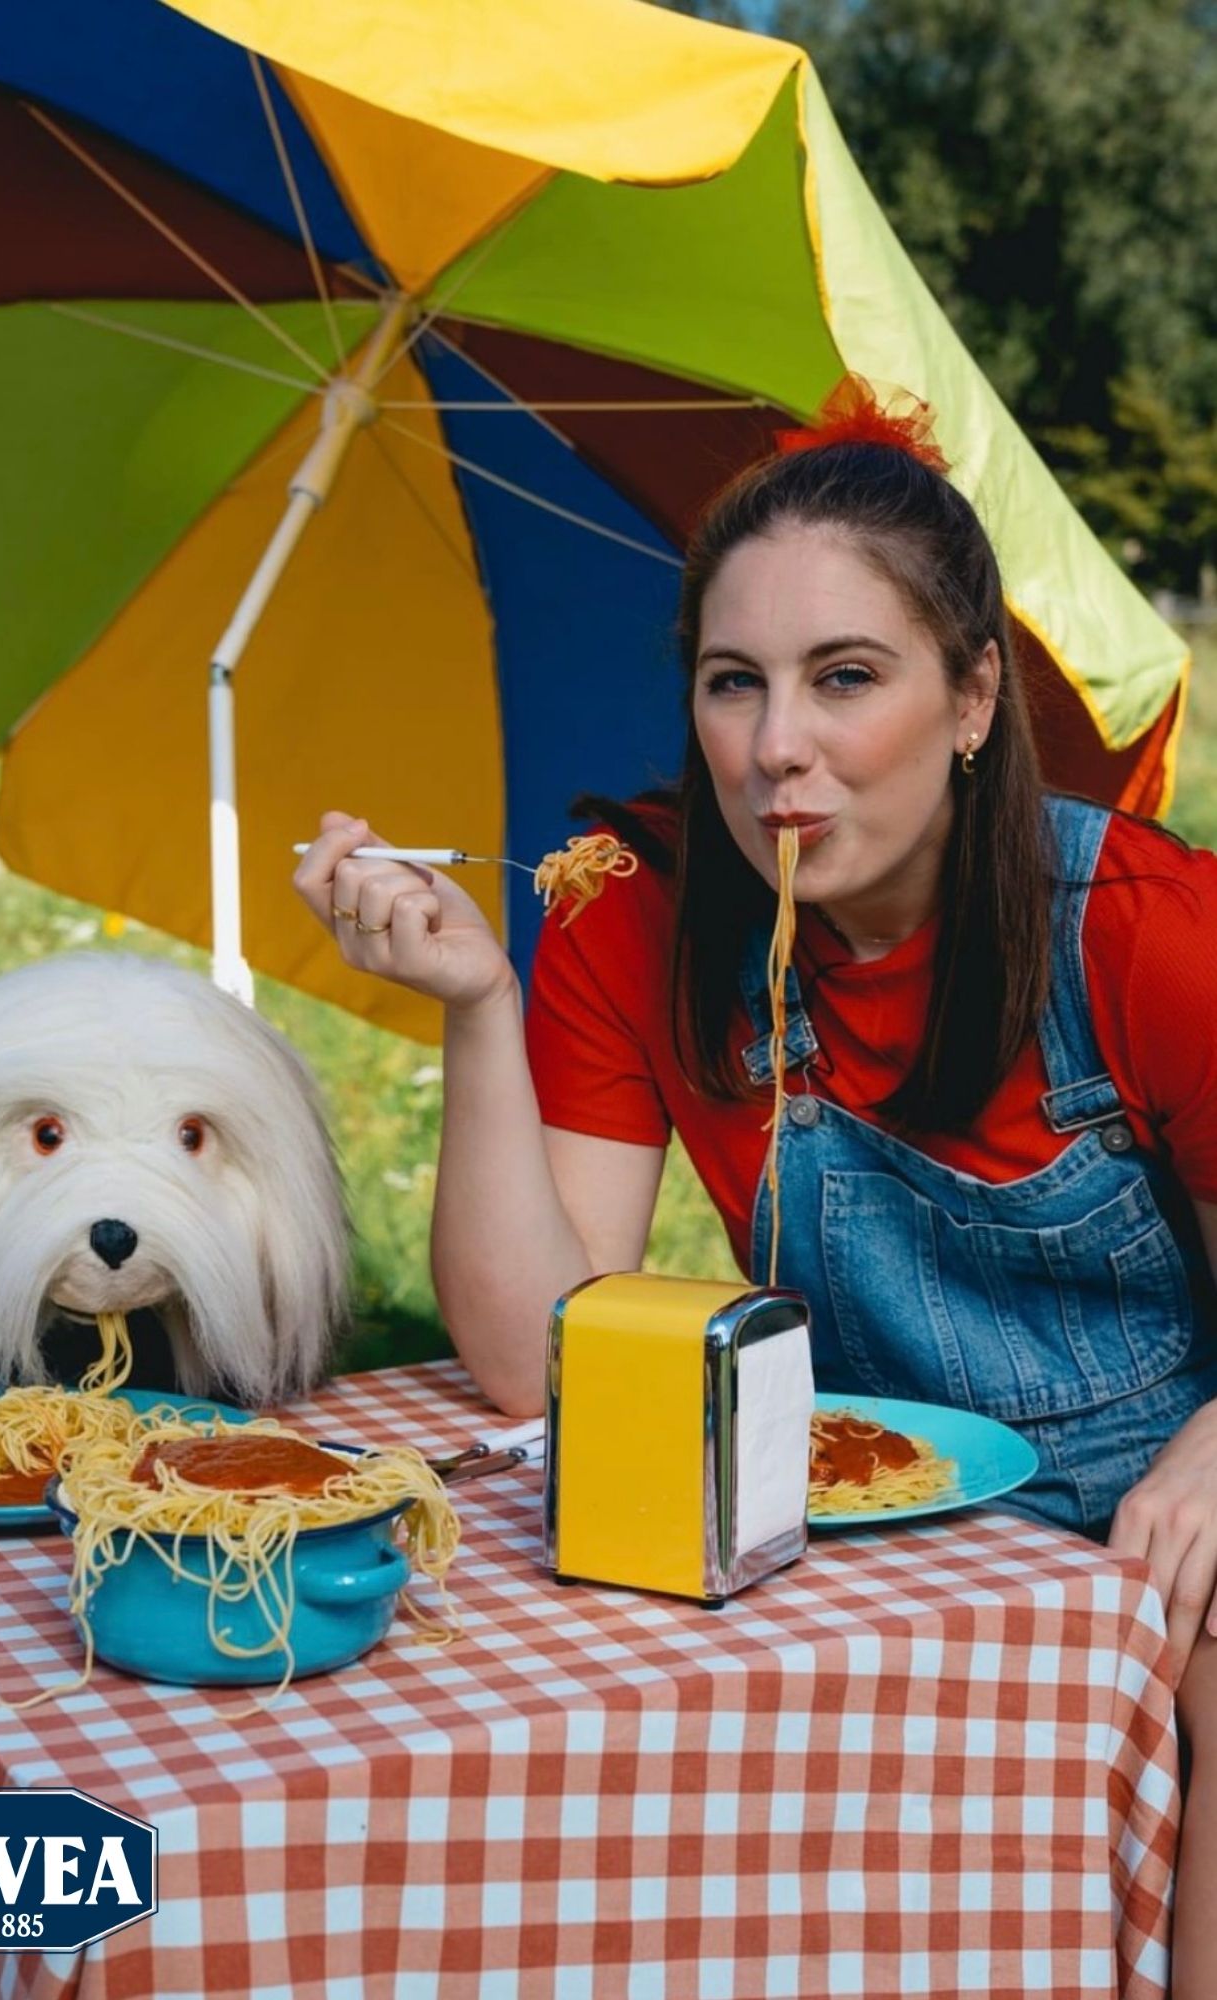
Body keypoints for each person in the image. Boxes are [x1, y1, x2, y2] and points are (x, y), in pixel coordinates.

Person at [294, 379, 1217, 1995]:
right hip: (856, 1514)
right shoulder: (623, 915)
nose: (775, 748)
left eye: (841, 678)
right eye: (734, 684)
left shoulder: (1138, 927)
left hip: (1156, 1513)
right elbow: (536, 1360)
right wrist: (479, 1007)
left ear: (971, 698)